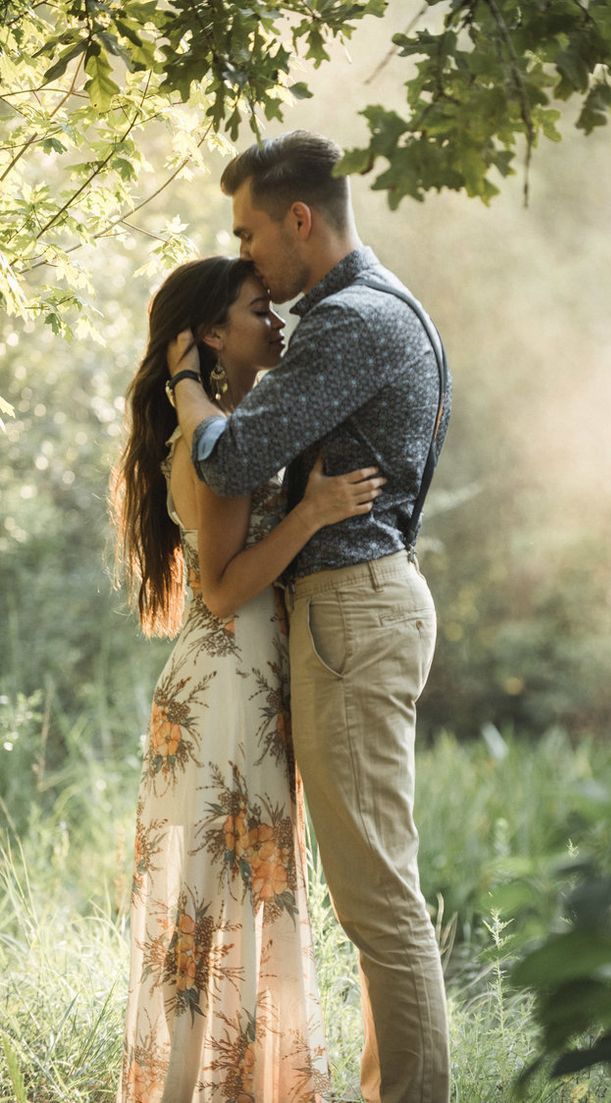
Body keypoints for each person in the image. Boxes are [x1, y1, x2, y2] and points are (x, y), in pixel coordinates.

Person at [168, 130, 452, 1103]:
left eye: (250, 232)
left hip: (352, 603)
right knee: (376, 890)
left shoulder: (347, 322)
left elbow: (230, 461)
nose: (246, 254)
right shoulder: (383, 305)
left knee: (376, 896)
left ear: (300, 219)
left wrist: (184, 386)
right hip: (355, 601)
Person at [113, 254, 386, 1103]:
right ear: (210, 337)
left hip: (236, 684)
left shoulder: (224, 422)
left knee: (239, 894)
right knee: (219, 901)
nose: (277, 322)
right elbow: (226, 588)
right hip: (226, 688)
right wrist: (311, 511)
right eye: (257, 308)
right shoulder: (210, 443)